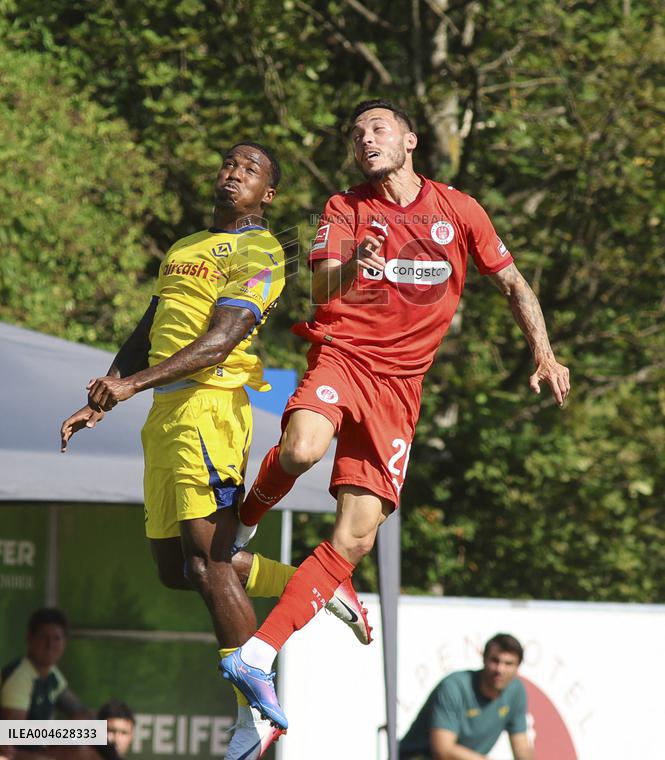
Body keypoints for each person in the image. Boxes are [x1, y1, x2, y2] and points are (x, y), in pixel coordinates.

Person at [220, 101, 571, 729]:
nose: (364, 140)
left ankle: (258, 652)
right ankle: (244, 520)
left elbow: (514, 283)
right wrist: (359, 266)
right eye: (356, 134)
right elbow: (321, 287)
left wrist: (544, 353)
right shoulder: (344, 207)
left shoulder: (458, 211)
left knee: (355, 537)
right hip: (344, 358)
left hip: (401, 392)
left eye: (376, 129)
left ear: (410, 140)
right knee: (300, 448)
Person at [59, 142, 367, 760]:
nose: (234, 173)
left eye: (250, 170)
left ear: (268, 196)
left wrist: (127, 386)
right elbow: (148, 328)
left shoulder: (263, 252)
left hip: (210, 408)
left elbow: (222, 340)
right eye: (229, 163)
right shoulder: (184, 247)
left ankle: (255, 713)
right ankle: (316, 584)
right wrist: (106, 391)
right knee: (174, 570)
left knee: (209, 563)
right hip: (164, 413)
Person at [398, 633, 533, 760]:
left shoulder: (516, 691)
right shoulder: (454, 687)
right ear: (483, 659)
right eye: (495, 661)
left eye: (508, 663)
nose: (500, 669)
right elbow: (442, 751)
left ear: (518, 667)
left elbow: (521, 747)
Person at [0, 607, 89, 724]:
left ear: (65, 642)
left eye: (56, 639)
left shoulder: (52, 673)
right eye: (44, 637)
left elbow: (79, 710)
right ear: (30, 638)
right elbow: (12, 734)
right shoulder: (19, 677)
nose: (50, 645)